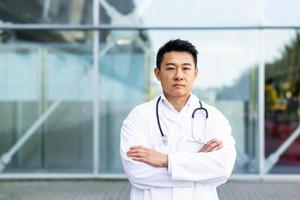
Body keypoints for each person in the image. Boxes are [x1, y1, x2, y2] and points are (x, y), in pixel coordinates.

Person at [120, 39, 236, 200]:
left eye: (186, 68)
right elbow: (137, 173)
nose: (179, 75)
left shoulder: (214, 118)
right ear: (157, 74)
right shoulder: (138, 116)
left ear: (195, 73)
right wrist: (198, 165)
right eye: (171, 68)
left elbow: (222, 168)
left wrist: (165, 160)